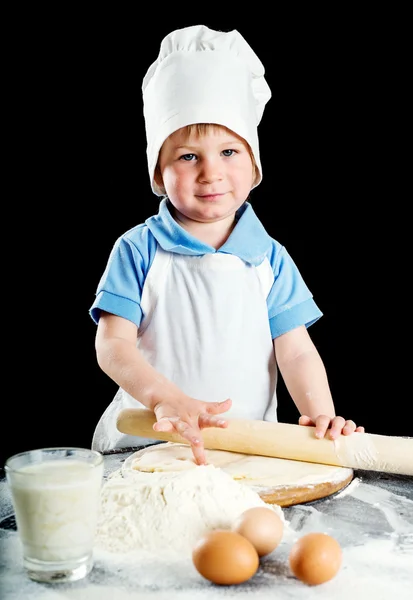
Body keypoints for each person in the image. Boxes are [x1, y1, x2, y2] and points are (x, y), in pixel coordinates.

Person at [89, 24, 364, 465]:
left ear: (254, 163)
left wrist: (322, 415)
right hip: (148, 445)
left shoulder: (270, 258)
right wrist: (164, 398)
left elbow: (294, 351)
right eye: (188, 156)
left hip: (247, 449)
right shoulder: (138, 249)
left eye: (229, 153)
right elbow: (113, 345)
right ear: (159, 174)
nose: (210, 172)